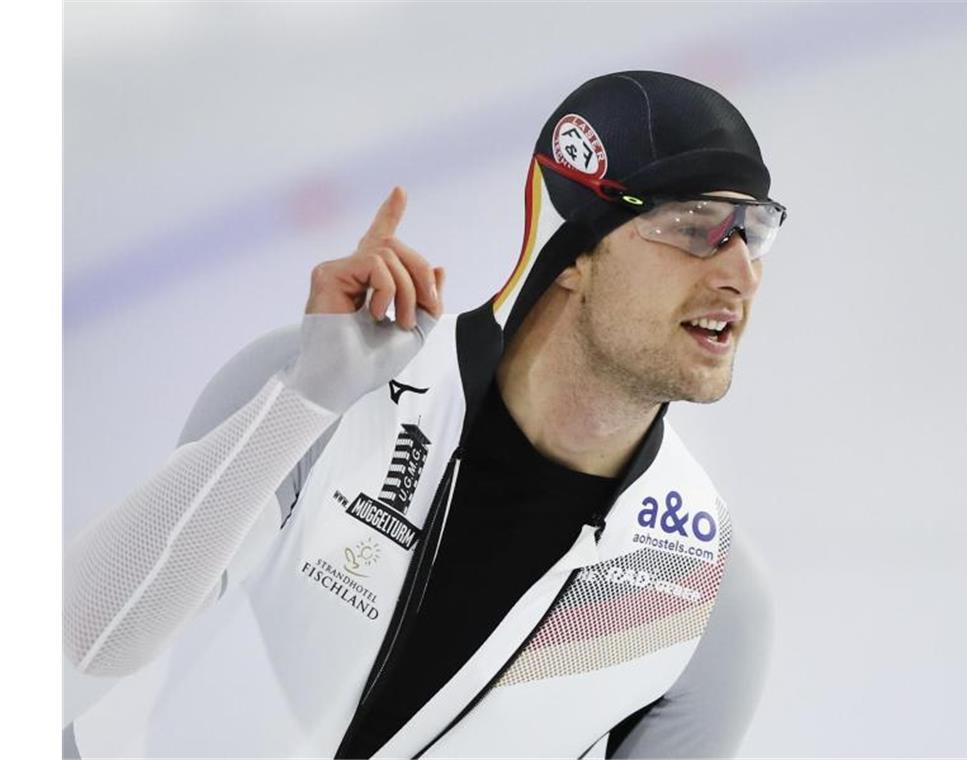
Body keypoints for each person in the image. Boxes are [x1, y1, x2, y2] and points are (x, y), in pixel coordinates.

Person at [63, 70, 785, 758]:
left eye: (754, 232)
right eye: (696, 227)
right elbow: (94, 635)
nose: (740, 271)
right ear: (576, 252)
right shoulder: (326, 395)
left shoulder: (703, 594)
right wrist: (305, 398)